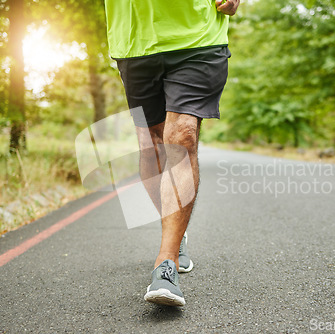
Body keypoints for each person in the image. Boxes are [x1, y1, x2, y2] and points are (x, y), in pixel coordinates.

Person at [104, 0, 240, 306]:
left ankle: (166, 264)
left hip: (199, 37)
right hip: (134, 41)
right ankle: (176, 236)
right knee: (151, 146)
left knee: (182, 136)